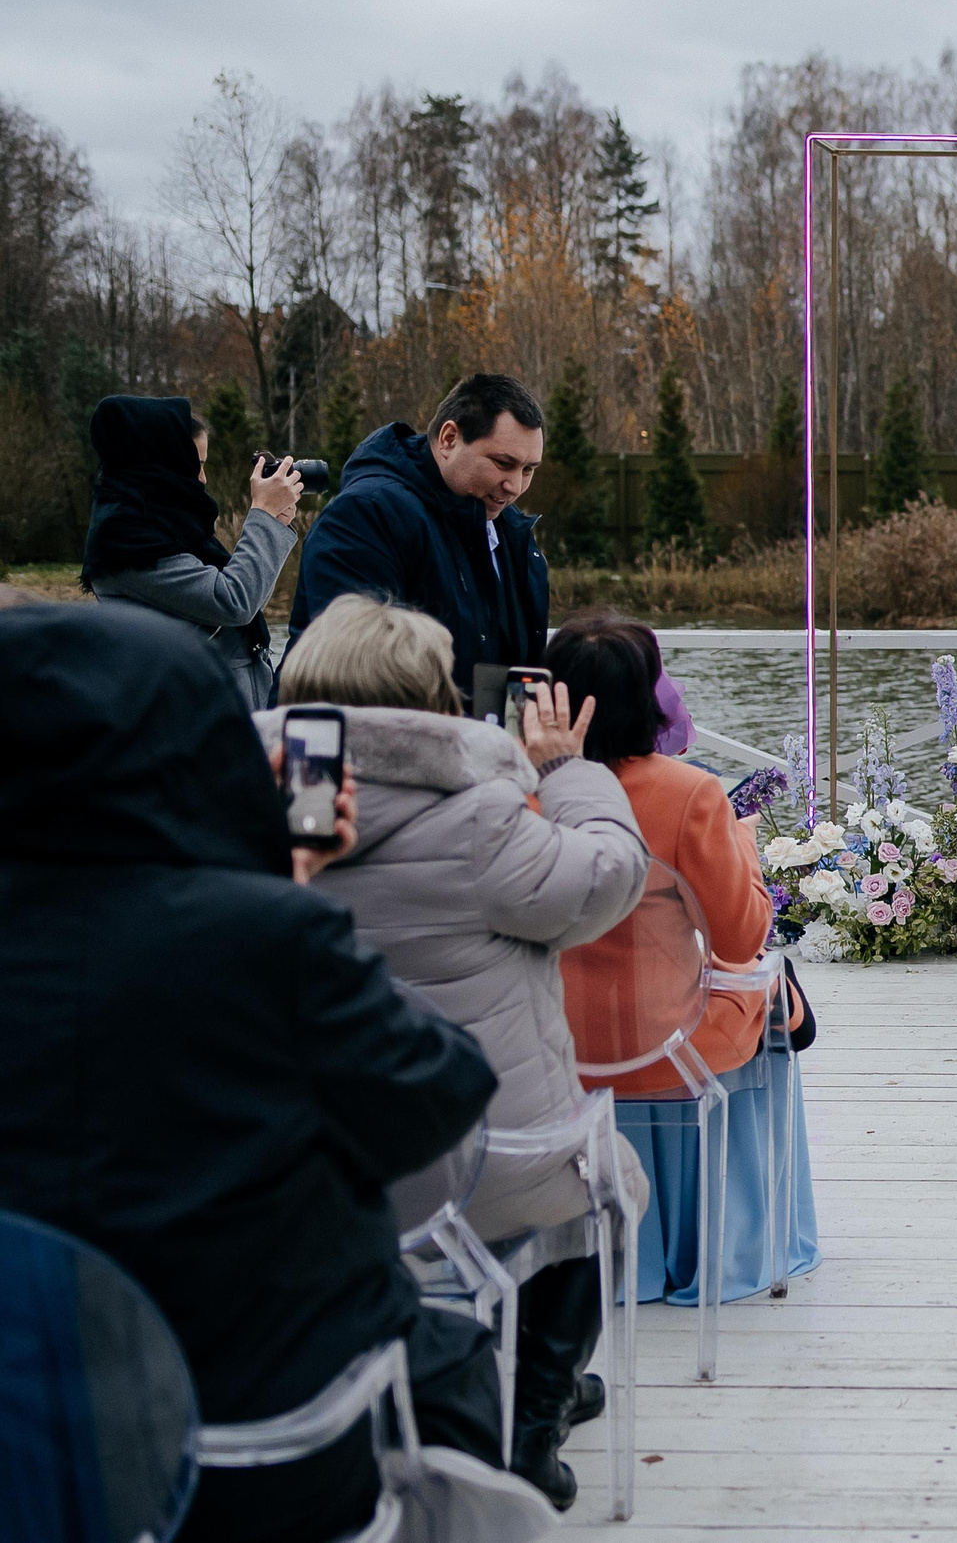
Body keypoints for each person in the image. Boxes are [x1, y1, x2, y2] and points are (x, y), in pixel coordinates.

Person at [0, 601, 503, 1543]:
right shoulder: (266, 936)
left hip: (27, 1448)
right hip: (256, 1448)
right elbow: (436, 1102)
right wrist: (284, 892)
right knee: (455, 1357)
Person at [264, 593, 650, 1509]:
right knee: (611, 1182)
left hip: (319, 1163)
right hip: (474, 1161)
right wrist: (568, 771)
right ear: (432, 697)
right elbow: (609, 877)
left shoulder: (277, 806)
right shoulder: (484, 816)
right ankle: (531, 1417)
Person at [547, 613, 819, 1303]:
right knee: (772, 993)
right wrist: (746, 846)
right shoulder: (689, 792)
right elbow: (740, 938)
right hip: (673, 1048)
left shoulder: (521, 793)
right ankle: (736, 1238)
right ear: (649, 698)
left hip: (554, 1050)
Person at [288, 373, 548, 702]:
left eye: (528, 470)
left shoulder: (509, 530)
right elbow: (351, 676)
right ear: (449, 439)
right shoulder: (365, 516)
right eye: (502, 463)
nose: (515, 487)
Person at [82, 394, 303, 709]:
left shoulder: (164, 526)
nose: (203, 479)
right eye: (196, 465)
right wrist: (264, 517)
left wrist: (274, 522)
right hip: (192, 722)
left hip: (214, 713)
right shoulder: (127, 543)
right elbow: (233, 601)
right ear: (164, 461)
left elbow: (244, 601)